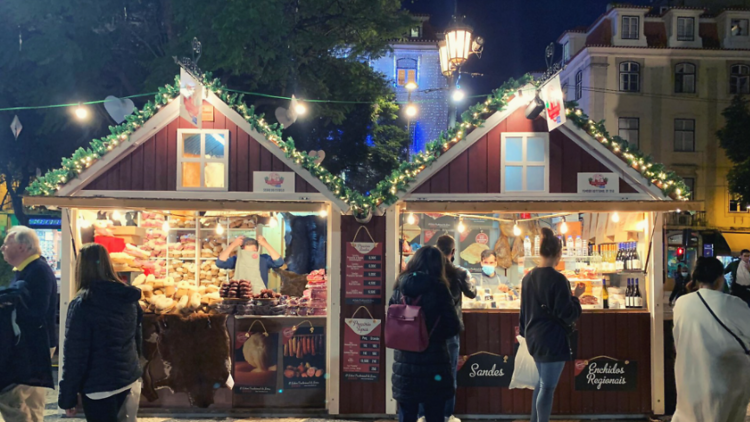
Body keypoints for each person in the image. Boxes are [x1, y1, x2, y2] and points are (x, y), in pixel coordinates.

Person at [59, 243, 143, 422]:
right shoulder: (128, 297)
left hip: (99, 386)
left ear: (81, 268)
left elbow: (75, 355)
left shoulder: (83, 304)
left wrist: (68, 397)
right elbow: (137, 337)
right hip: (128, 378)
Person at [673, 257, 750, 422]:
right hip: (724, 379)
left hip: (689, 379)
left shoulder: (681, 303)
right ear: (720, 278)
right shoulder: (734, 304)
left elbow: (678, 338)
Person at [390, 246, 461, 422]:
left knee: (406, 415)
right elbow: (452, 326)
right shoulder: (439, 289)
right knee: (434, 414)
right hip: (434, 365)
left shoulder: (399, 287)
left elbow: (392, 319)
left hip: (405, 364)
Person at [519, 228, 583, 422]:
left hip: (533, 337)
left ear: (539, 252)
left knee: (541, 383)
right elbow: (567, 314)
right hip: (552, 339)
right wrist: (577, 298)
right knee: (547, 388)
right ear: (559, 254)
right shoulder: (558, 279)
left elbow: (523, 311)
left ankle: (535, 420)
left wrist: (525, 332)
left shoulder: (528, 277)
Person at [0, 226, 58, 422]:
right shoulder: (30, 269)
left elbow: (36, 313)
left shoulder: (37, 271)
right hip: (38, 344)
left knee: (13, 397)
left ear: (23, 247)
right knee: (33, 403)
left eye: (7, 244)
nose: (2, 248)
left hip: (33, 347)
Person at [416, 236, 476, 422]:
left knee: (423, 373)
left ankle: (422, 415)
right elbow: (472, 293)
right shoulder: (459, 272)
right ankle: (446, 415)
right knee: (449, 375)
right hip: (449, 331)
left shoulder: (424, 273)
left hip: (426, 330)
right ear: (453, 252)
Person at [216, 235, 284, 294]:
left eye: (252, 254)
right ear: (242, 251)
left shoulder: (264, 259)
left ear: (256, 250)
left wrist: (266, 244)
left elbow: (279, 262)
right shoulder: (237, 260)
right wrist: (233, 245)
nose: (249, 257)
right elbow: (220, 263)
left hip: (259, 298)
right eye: (246, 254)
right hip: (240, 299)